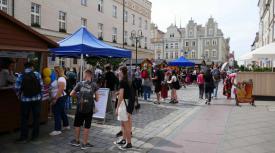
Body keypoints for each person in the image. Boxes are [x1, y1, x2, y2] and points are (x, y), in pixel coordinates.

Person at [70, 69, 99, 150]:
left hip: (80, 107)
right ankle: (85, 143)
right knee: (87, 126)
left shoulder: (79, 84)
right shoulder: (94, 85)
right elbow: (97, 99)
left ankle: (76, 141)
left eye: (83, 74)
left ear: (85, 75)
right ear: (91, 75)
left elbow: (71, 94)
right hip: (89, 108)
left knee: (77, 124)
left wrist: (79, 97)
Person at [15, 62, 43, 143]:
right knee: (36, 118)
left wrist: (19, 96)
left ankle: (24, 137)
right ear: (32, 67)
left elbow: (16, 88)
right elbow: (41, 86)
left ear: (25, 67)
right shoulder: (37, 74)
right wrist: (40, 97)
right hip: (36, 100)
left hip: (25, 100)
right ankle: (35, 136)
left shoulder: (21, 75)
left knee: (24, 119)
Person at [114, 66, 134, 150]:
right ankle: (123, 139)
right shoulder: (127, 80)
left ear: (121, 72)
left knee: (126, 125)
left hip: (123, 104)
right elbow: (127, 91)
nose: (118, 72)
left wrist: (117, 107)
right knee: (123, 123)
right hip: (128, 104)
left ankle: (129, 143)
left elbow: (121, 96)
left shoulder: (122, 82)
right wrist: (118, 92)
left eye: (119, 71)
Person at [49, 66, 70, 136]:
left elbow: (60, 90)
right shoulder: (59, 78)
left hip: (60, 97)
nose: (53, 72)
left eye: (54, 71)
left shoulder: (61, 78)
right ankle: (66, 125)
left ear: (58, 71)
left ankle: (57, 129)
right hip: (60, 97)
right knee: (62, 112)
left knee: (57, 112)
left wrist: (55, 99)